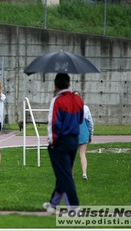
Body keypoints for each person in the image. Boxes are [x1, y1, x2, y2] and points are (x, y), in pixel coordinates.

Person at [43, 73, 84, 214]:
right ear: (69, 84)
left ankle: (74, 206)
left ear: (55, 85)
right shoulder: (78, 99)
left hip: (60, 142)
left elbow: (53, 123)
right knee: (64, 173)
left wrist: (52, 142)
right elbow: (80, 119)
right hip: (74, 140)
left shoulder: (57, 101)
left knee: (65, 175)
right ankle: (53, 204)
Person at [73, 91, 94, 180]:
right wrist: (90, 134)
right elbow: (90, 123)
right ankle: (84, 173)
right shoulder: (85, 108)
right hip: (84, 132)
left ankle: (71, 175)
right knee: (82, 154)